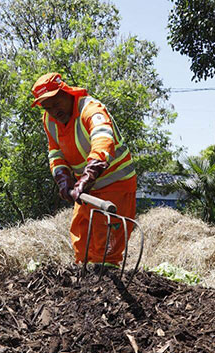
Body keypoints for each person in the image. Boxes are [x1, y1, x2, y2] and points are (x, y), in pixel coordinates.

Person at [31, 72, 137, 267]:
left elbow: (103, 140)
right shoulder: (49, 120)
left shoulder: (91, 110)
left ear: (67, 93)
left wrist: (87, 176)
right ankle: (85, 279)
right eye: (47, 107)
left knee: (105, 246)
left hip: (116, 184)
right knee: (81, 238)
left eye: (56, 103)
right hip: (86, 188)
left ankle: (106, 280)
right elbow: (55, 153)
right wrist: (63, 180)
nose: (54, 111)